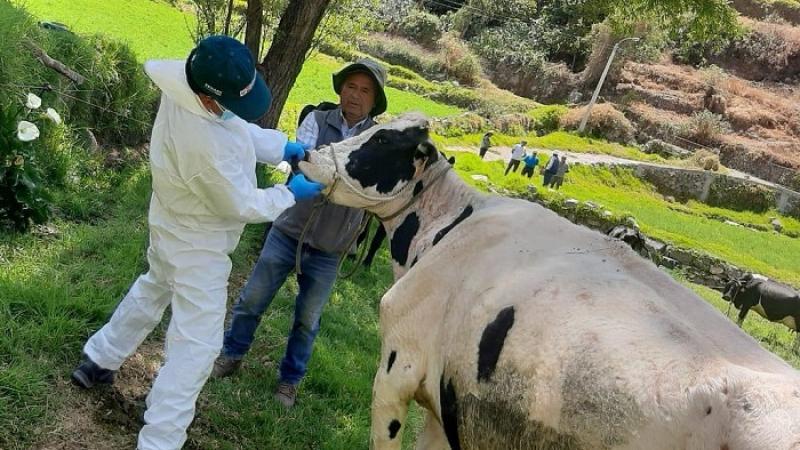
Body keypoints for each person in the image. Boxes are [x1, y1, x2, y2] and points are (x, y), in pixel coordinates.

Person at [69, 36, 324, 450]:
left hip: (169, 224)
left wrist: (282, 147)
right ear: (208, 97)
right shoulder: (204, 147)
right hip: (198, 248)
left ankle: (99, 358)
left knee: (152, 288)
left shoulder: (190, 84)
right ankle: (161, 440)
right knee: (197, 348)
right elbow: (241, 203)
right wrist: (289, 193)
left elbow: (235, 125)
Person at [212, 58, 388, 408]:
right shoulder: (316, 118)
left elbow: (369, 186)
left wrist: (330, 174)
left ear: (374, 100)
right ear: (341, 89)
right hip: (288, 228)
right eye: (351, 86)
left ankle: (289, 381)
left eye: (365, 90)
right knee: (252, 299)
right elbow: (307, 162)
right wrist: (339, 177)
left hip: (331, 247)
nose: (355, 95)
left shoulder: (379, 142)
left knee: (307, 320)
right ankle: (231, 354)